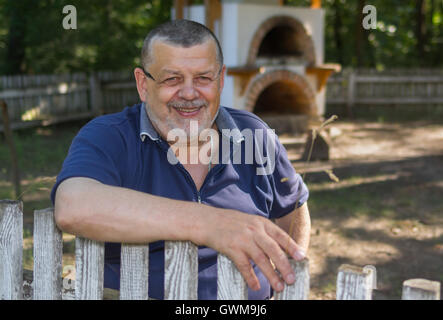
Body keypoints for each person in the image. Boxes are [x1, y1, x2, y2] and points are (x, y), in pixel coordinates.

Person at [51, 19, 311, 300]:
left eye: (203, 78)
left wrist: (288, 284)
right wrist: (207, 223)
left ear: (221, 80)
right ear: (142, 83)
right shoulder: (110, 136)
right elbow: (72, 207)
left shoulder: (254, 134)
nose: (189, 93)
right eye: (171, 79)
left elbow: (293, 207)